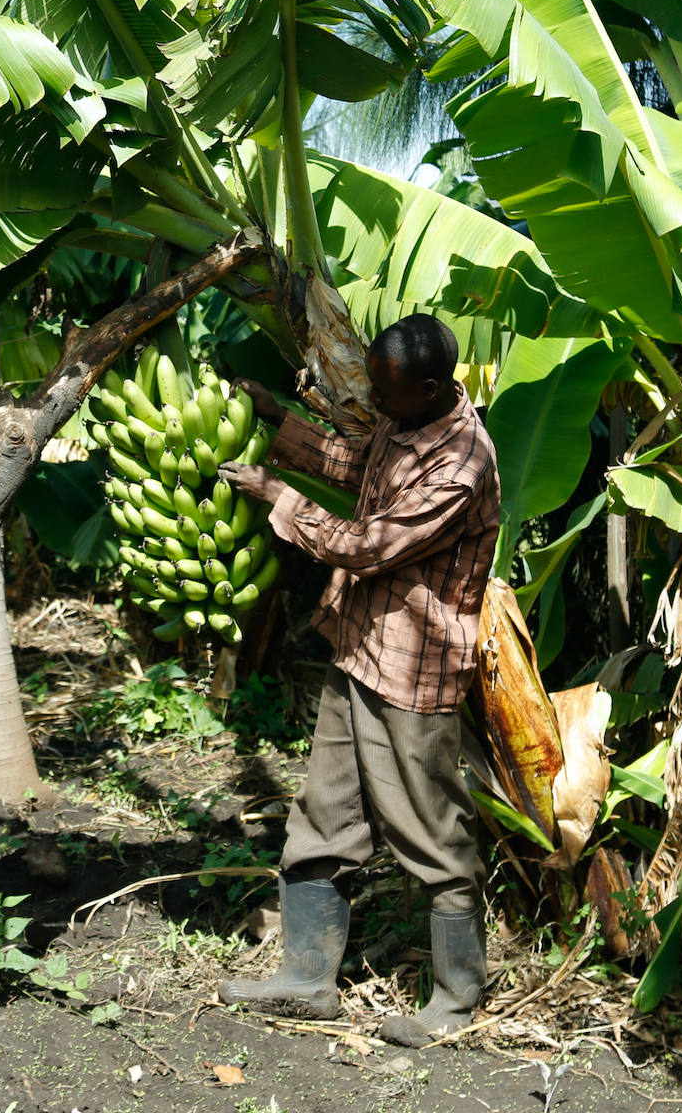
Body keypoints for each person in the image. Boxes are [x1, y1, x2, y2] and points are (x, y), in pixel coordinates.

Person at [215, 313, 501, 1047]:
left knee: (432, 827)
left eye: (386, 390)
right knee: (326, 812)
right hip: (359, 644)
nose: (373, 402)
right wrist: (280, 421)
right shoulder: (405, 426)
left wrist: (281, 497)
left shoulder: (462, 464)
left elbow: (372, 544)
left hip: (413, 667)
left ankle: (455, 999)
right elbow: (357, 467)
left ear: (432, 388)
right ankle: (307, 977)